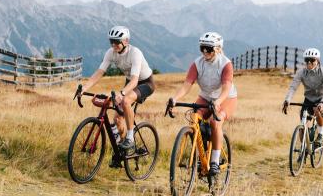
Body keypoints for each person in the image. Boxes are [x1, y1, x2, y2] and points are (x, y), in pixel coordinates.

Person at [77, 26, 157, 167]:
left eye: (116, 42)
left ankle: (130, 137)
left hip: (145, 83)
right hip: (131, 81)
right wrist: (84, 88)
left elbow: (134, 80)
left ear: (125, 41)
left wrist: (122, 93)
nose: (113, 45)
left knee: (125, 101)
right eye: (111, 42)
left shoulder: (135, 53)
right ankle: (122, 149)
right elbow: (99, 72)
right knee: (117, 119)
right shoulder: (111, 52)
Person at [166, 32, 237, 177]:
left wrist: (217, 102)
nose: (205, 52)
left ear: (218, 48)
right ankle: (201, 154)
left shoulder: (226, 64)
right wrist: (174, 98)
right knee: (194, 118)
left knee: (215, 123)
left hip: (225, 98)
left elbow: (226, 88)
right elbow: (187, 85)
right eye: (202, 48)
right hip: (205, 96)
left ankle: (215, 162)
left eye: (209, 49)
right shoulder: (197, 64)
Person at [282, 48, 323, 145]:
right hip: (308, 99)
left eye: (312, 60)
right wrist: (287, 100)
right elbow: (293, 87)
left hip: (322, 98)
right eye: (306, 60)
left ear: (317, 60)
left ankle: (320, 135)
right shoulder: (301, 72)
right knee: (303, 124)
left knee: (317, 111)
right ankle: (303, 149)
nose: (309, 62)